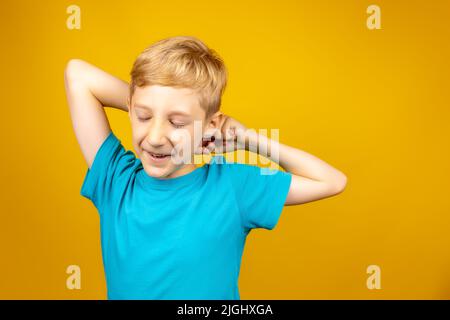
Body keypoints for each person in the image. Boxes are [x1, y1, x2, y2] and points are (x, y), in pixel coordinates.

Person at [64, 35, 347, 300]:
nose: (154, 137)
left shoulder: (233, 186)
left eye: (177, 122)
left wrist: (247, 138)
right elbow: (77, 74)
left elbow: (331, 181)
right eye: (143, 115)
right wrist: (155, 102)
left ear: (211, 124)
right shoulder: (116, 180)